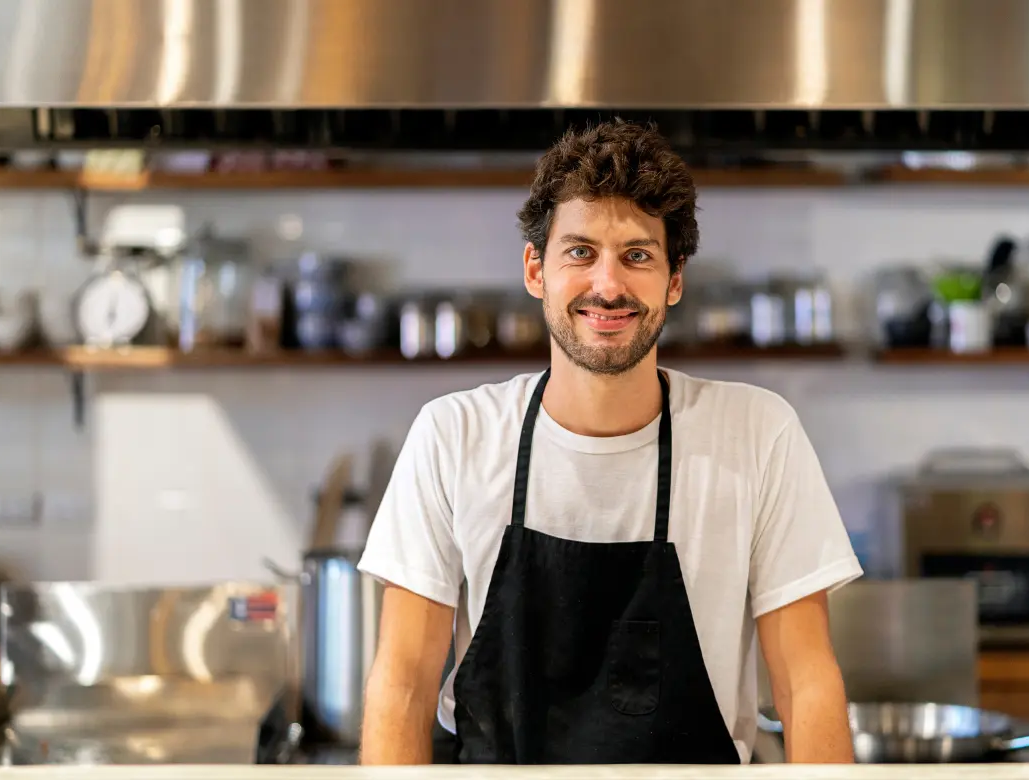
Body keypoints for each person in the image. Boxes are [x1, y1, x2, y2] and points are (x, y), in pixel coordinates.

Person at [356, 119, 861, 765]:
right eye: (579, 251)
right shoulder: (455, 434)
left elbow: (806, 682)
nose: (608, 285)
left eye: (638, 255)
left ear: (674, 280)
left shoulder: (757, 432)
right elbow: (403, 684)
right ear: (535, 270)